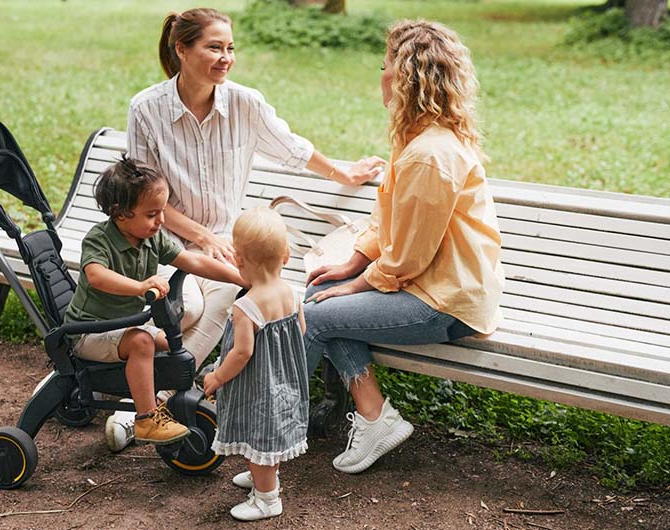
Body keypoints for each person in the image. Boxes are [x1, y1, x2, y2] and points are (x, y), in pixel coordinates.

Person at [107, 6, 384, 452]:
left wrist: (344, 174)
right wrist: (201, 236)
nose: (225, 57)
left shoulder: (245, 103)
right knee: (191, 308)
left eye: (230, 48)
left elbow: (292, 149)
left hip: (231, 242)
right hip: (167, 239)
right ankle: (155, 399)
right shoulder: (147, 108)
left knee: (250, 299)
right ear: (182, 49)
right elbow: (145, 200)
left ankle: (154, 401)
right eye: (213, 47)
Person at [303, 20, 505, 474]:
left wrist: (357, 286)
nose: (381, 75)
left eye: (385, 66)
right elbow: (386, 220)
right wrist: (351, 264)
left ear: (407, 78)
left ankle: (269, 431)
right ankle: (376, 418)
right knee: (318, 297)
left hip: (445, 303)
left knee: (312, 316)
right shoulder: (417, 140)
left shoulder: (430, 154)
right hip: (428, 286)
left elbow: (410, 257)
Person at [63, 156, 247, 445]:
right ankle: (147, 417)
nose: (161, 221)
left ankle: (162, 395)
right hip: (89, 331)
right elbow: (96, 276)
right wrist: (139, 286)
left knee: (168, 344)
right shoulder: (99, 239)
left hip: (120, 327)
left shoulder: (151, 238)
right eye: (152, 214)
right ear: (121, 213)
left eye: (162, 211)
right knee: (143, 343)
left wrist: (240, 278)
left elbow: (193, 262)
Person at [203, 207, 308, 522]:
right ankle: (264, 475)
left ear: (238, 260)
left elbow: (242, 353)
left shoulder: (246, 305)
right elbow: (300, 330)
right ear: (286, 256)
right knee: (272, 430)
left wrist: (217, 377)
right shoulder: (289, 292)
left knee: (260, 432)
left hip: (258, 383)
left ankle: (267, 498)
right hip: (284, 378)